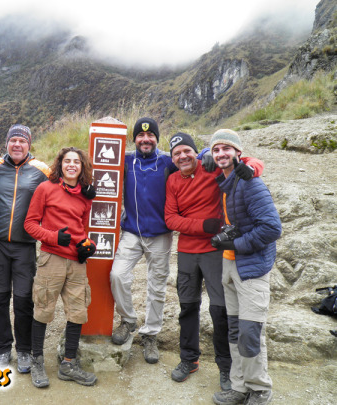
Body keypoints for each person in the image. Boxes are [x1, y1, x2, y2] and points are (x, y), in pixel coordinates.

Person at [164, 132, 264, 391]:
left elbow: (247, 162)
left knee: (220, 311)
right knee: (187, 307)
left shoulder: (211, 168)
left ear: (195, 152)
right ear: (172, 159)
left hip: (214, 251)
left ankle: (225, 367)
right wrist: (202, 226)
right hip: (187, 252)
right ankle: (189, 359)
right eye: (177, 153)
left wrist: (253, 167)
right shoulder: (173, 180)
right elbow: (171, 218)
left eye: (187, 151)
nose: (182, 156)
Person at [209, 129, 281, 405]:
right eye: (216, 150)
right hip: (230, 266)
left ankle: (260, 389)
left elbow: (272, 228)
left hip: (251, 268)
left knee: (250, 331)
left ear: (239, 152)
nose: (221, 154)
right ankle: (240, 387)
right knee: (235, 330)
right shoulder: (228, 180)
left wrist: (235, 243)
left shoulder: (251, 183)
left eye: (227, 149)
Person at [24, 147, 97, 389]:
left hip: (76, 262)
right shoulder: (45, 188)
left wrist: (88, 246)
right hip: (51, 258)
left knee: (77, 311)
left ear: (82, 167)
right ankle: (37, 361)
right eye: (67, 161)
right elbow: (30, 224)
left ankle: (68, 364)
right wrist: (53, 237)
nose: (72, 165)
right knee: (43, 309)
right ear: (60, 165)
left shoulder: (85, 196)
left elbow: (82, 229)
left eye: (77, 161)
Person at [109, 117, 179, 363]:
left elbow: (193, 159)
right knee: (117, 275)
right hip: (131, 231)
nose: (145, 139)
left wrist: (206, 153)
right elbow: (97, 163)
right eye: (140, 135)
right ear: (135, 139)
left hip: (160, 234)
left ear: (157, 139)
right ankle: (128, 320)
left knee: (157, 287)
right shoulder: (126, 161)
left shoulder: (168, 161)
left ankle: (150, 334)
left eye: (150, 136)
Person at [0, 124, 50, 373]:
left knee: (23, 300)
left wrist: (86, 189)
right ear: (7, 143)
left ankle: (24, 350)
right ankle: (2, 349)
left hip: (25, 246)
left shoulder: (41, 170)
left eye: (22, 141)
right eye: (13, 140)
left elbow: (63, 187)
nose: (17, 145)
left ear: (29, 144)